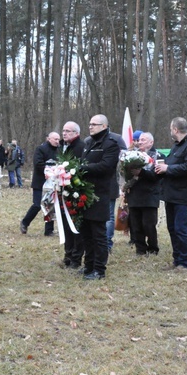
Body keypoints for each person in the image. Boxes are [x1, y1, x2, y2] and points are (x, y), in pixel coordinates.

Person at [154, 117, 187, 271]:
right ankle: (177, 260)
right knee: (172, 228)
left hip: (184, 195)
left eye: (170, 129)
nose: (170, 132)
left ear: (175, 129)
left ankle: (184, 262)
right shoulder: (176, 146)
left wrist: (168, 169)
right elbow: (171, 164)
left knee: (181, 228)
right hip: (171, 194)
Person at [78, 114, 120, 280]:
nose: (90, 127)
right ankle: (88, 266)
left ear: (104, 126)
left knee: (99, 234)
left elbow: (106, 166)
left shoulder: (110, 144)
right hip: (85, 194)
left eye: (94, 124)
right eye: (89, 124)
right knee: (86, 233)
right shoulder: (88, 142)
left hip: (100, 194)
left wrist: (83, 168)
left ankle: (99, 270)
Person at [125, 132, 162, 256]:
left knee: (149, 225)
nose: (140, 142)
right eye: (139, 140)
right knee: (136, 225)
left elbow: (157, 176)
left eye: (144, 140)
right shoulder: (130, 156)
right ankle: (140, 249)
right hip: (134, 194)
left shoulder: (158, 156)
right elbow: (125, 174)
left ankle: (153, 248)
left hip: (149, 195)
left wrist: (141, 172)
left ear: (151, 142)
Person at [19, 132, 60, 236]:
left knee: (50, 206)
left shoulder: (59, 151)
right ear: (49, 139)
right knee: (37, 205)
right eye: (55, 139)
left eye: (58, 139)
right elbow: (38, 164)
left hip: (52, 183)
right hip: (40, 182)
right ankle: (25, 222)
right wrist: (49, 171)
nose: (57, 141)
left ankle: (49, 230)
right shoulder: (40, 149)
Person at [59, 122, 84, 267]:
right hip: (64, 192)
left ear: (76, 133)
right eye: (63, 130)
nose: (64, 133)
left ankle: (75, 258)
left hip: (76, 193)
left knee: (75, 226)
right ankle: (68, 255)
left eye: (68, 131)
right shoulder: (64, 147)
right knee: (66, 226)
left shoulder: (80, 147)